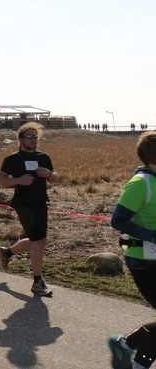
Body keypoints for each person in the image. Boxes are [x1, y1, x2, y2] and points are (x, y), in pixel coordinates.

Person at [107, 131, 156, 369]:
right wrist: (152, 236)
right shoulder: (141, 183)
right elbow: (118, 220)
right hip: (142, 260)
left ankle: (125, 346)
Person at [0, 122, 58, 297]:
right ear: (21, 139)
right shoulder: (13, 159)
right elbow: (0, 180)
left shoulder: (44, 157)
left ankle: (7, 252)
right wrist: (19, 180)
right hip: (23, 203)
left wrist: (49, 175)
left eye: (35, 137)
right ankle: (38, 282)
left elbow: (54, 178)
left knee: (37, 240)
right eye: (29, 137)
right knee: (40, 241)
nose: (33, 140)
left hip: (40, 203)